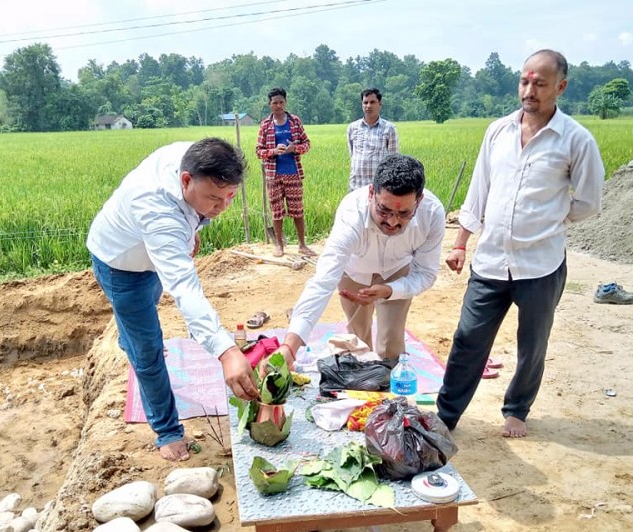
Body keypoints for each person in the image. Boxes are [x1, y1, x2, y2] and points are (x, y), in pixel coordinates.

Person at [436, 49, 605, 438]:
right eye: (525, 81)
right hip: (491, 259)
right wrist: (461, 241)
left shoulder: (576, 140)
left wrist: (552, 220)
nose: (529, 90)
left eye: (540, 83)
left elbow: (590, 201)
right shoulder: (498, 131)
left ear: (560, 87)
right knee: (468, 340)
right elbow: (480, 190)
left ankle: (516, 410)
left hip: (540, 264)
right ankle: (447, 415)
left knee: (532, 345)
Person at [87, 138, 259, 461]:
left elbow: (194, 209)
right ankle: (166, 430)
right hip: (121, 264)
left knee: (148, 307)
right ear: (185, 180)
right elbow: (184, 288)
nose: (222, 207)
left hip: (151, 254)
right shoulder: (158, 211)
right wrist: (226, 352)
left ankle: (131, 335)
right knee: (147, 349)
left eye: (229, 198)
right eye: (214, 199)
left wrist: (192, 227)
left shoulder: (197, 158)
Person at [277, 154, 445, 367]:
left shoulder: (432, 213)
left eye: (404, 213)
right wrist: (290, 346)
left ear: (418, 201)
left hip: (397, 270)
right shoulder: (351, 214)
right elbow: (323, 281)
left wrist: (390, 290)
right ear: (371, 193)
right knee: (357, 337)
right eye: (384, 210)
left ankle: (389, 383)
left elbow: (425, 274)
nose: (393, 222)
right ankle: (362, 377)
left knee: (392, 338)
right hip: (354, 271)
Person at [255, 87, 315, 258]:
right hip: (273, 175)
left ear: (285, 102)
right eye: (275, 102)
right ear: (270, 104)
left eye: (281, 102)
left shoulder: (295, 121)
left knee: (298, 210)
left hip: (293, 173)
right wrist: (273, 151)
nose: (278, 105)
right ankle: (279, 245)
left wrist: (293, 148)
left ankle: (302, 245)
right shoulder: (265, 125)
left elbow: (307, 144)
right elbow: (258, 151)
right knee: (277, 211)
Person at [347, 88, 399, 191]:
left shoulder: (389, 128)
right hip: (356, 185)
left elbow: (394, 160)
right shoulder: (352, 128)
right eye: (365, 102)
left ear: (380, 104)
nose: (368, 106)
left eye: (372, 102)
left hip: (380, 187)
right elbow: (352, 155)